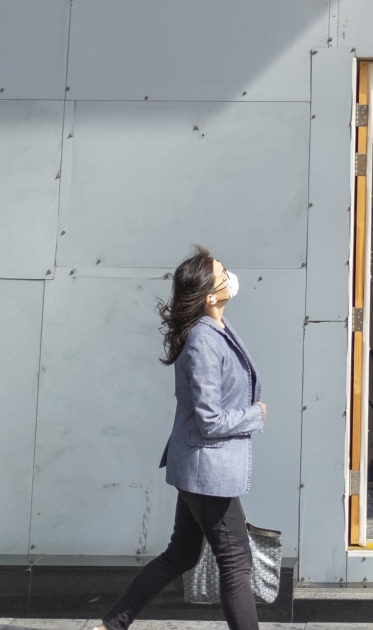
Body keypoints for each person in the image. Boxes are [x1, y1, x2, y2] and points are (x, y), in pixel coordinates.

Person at [96, 247, 267, 630]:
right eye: (223, 272)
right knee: (236, 561)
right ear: (210, 294)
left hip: (203, 467)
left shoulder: (218, 329)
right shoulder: (203, 341)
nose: (230, 276)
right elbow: (209, 419)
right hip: (207, 467)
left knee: (182, 555)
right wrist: (254, 415)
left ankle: (112, 625)